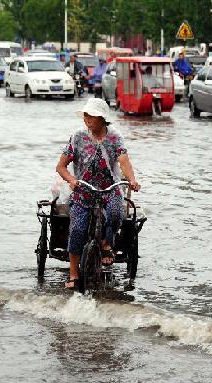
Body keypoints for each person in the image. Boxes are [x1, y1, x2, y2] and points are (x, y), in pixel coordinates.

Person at [56, 98, 140, 289]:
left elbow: (124, 161)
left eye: (91, 115)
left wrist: (132, 179)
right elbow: (61, 166)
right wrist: (72, 180)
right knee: (77, 229)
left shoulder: (115, 137)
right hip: (83, 190)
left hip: (109, 189)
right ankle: (73, 274)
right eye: (85, 115)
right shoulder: (77, 137)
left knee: (116, 213)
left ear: (102, 118)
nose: (87, 118)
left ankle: (106, 242)